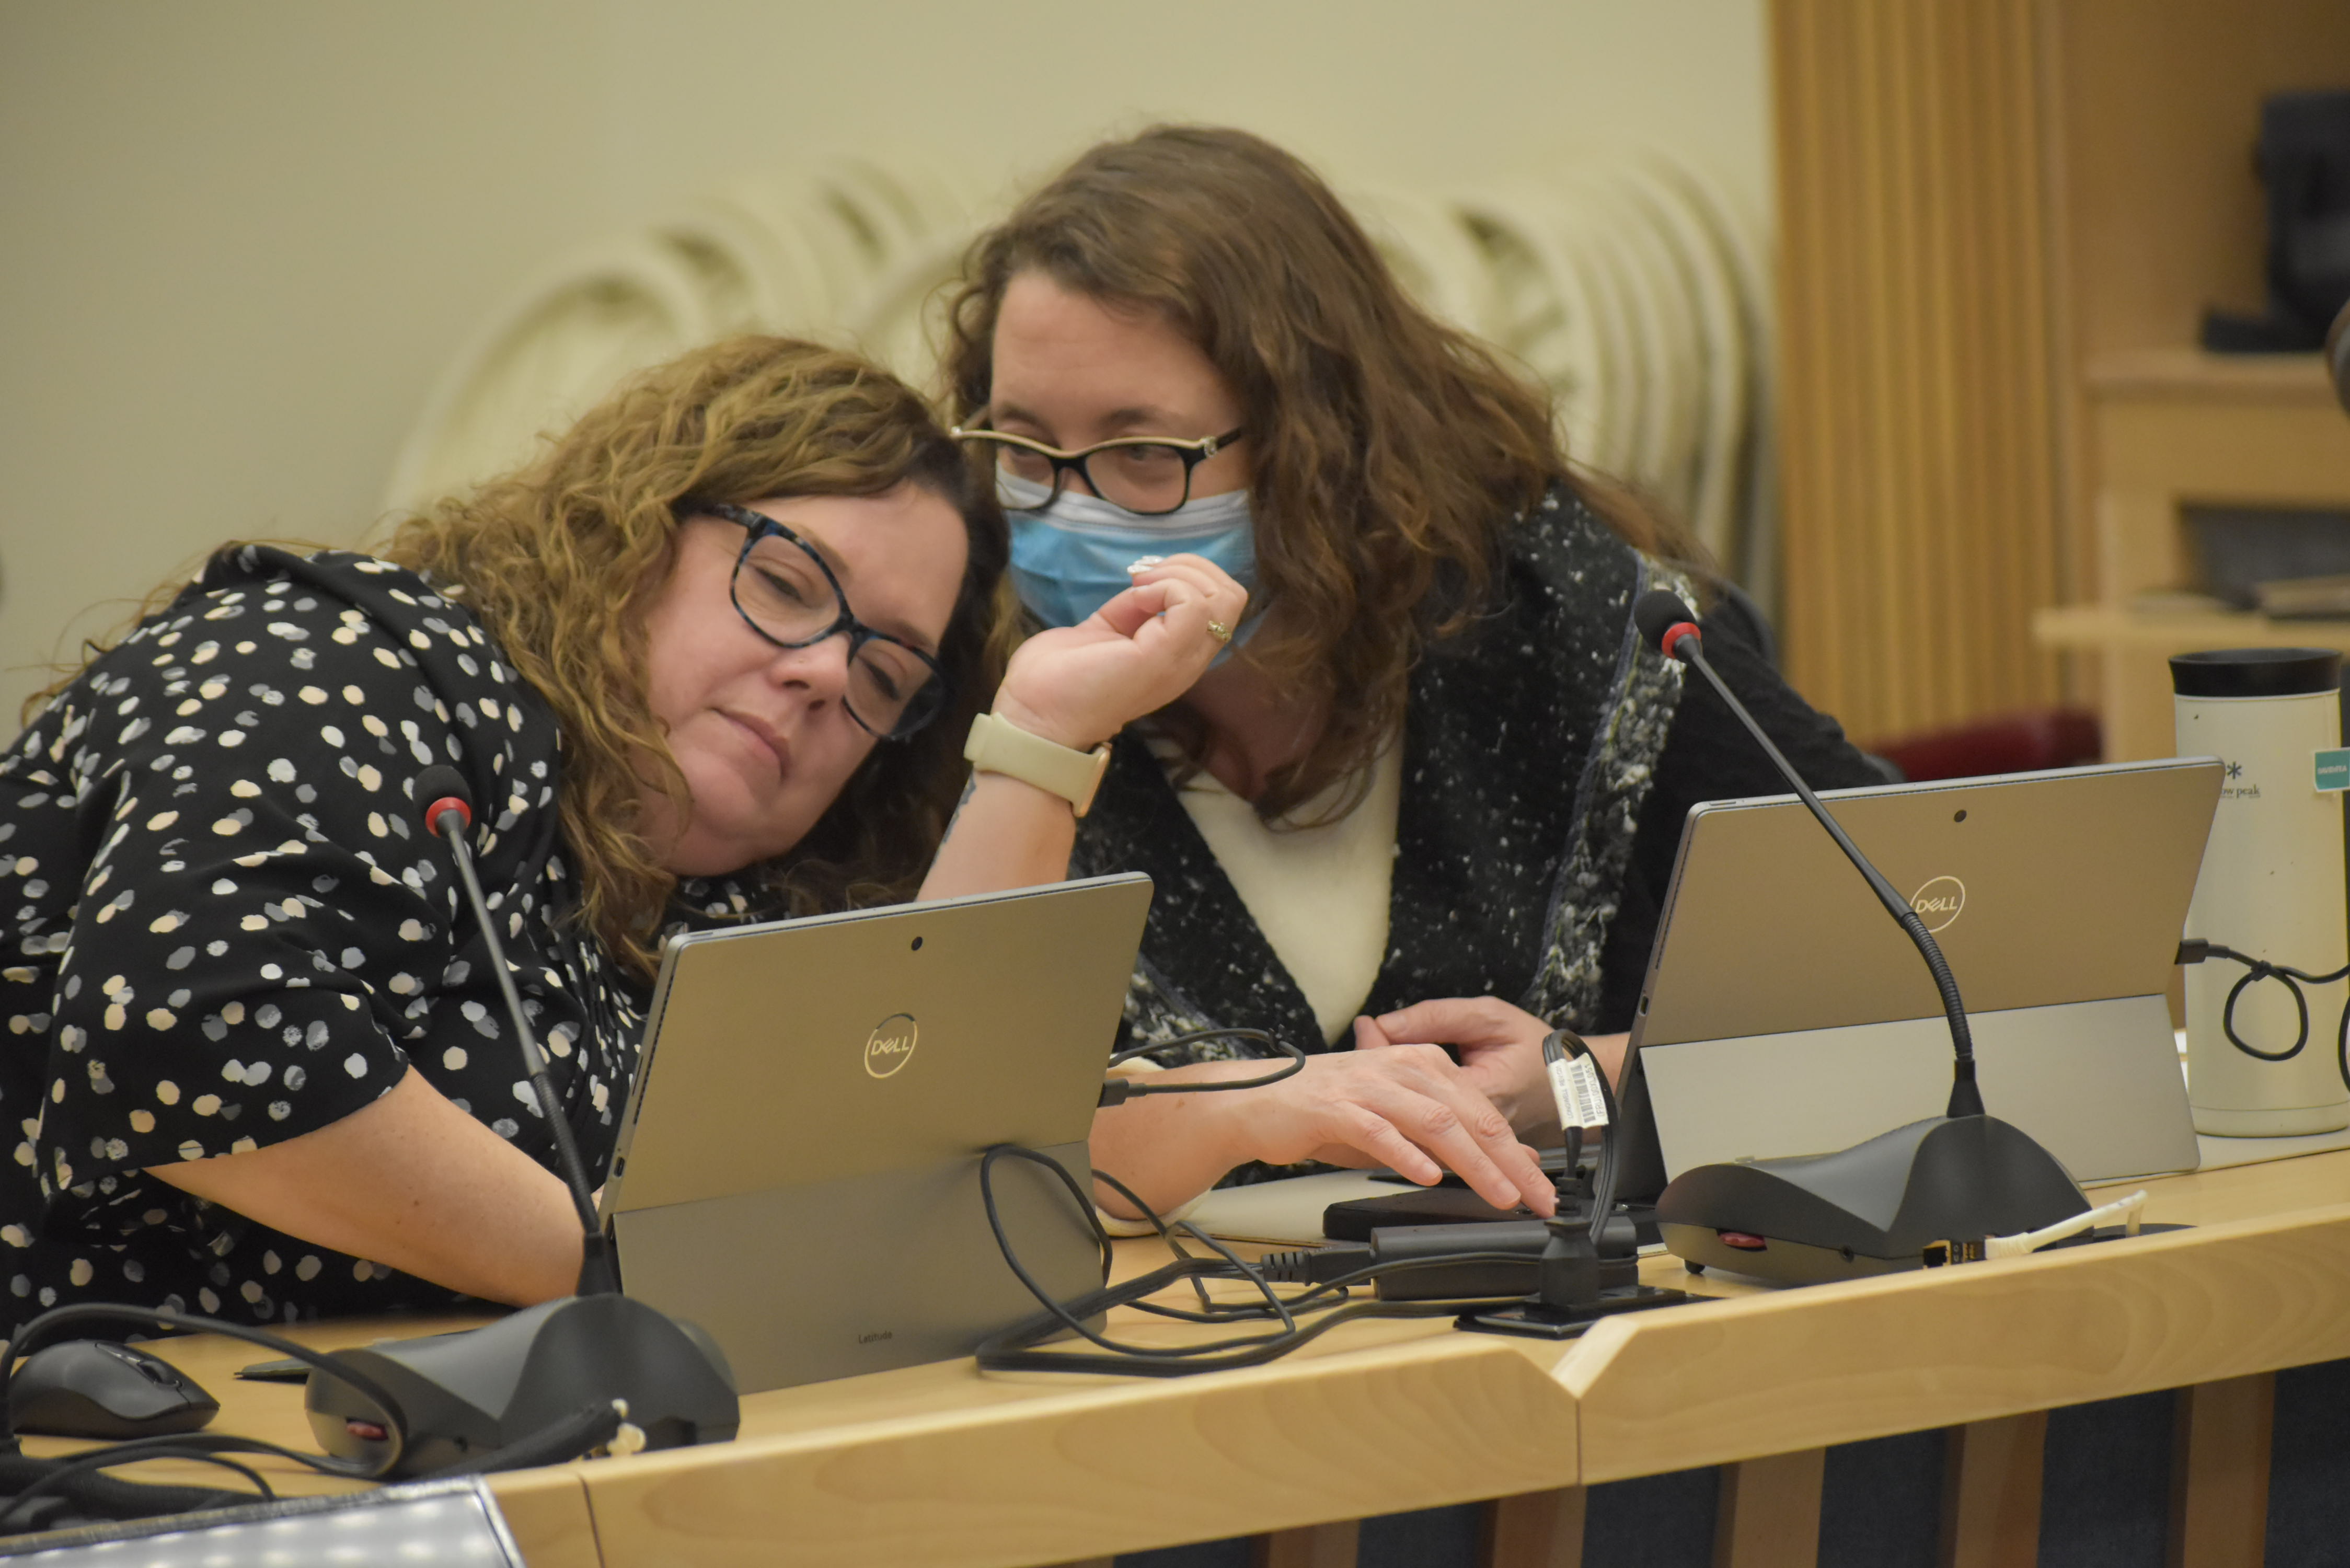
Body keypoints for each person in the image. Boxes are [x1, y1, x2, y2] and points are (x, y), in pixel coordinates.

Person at [0, 335, 1241, 1335]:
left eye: (884, 674)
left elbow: (971, 1144)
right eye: (788, 585)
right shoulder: (341, 660)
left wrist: (1037, 733)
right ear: (631, 533)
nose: (823, 675)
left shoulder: (751, 891)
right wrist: (634, 1279)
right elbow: (190, 1028)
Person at [941, 126, 1882, 1222]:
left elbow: (1928, 947)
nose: (1068, 512)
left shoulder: (1551, 612)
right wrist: (1039, 742)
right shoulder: (963, 665)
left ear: (1313, 441)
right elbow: (931, 1133)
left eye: (1143, 453)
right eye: (1024, 450)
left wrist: (1589, 1078)